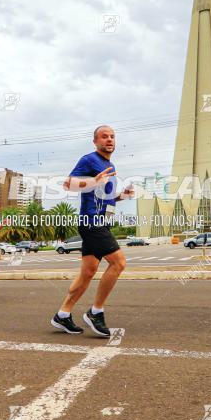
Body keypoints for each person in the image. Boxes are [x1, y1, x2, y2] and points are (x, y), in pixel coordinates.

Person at [50, 125, 135, 337]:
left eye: (112, 136)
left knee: (88, 272)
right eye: (104, 136)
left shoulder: (110, 165)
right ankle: (95, 312)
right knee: (119, 263)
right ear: (95, 141)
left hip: (102, 222)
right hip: (92, 222)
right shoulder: (89, 159)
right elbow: (68, 184)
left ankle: (62, 315)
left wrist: (121, 196)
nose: (109, 140)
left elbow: (105, 197)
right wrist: (93, 180)